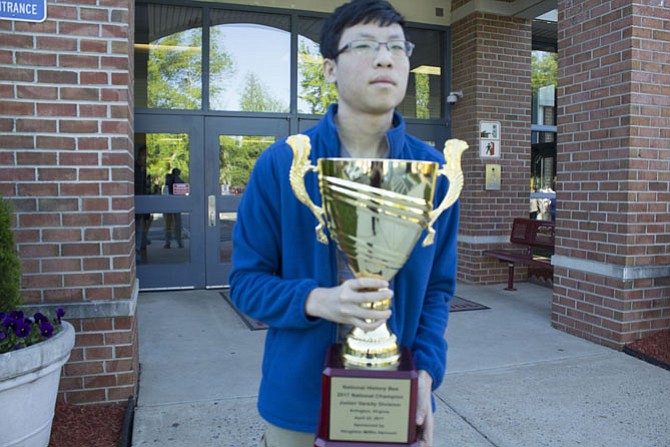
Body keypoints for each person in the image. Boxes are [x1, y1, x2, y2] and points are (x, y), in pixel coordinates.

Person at [229, 1, 459, 446]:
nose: (385, 57)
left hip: (394, 397)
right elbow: (245, 282)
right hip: (299, 404)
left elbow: (437, 291)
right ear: (330, 68)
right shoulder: (286, 165)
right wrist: (318, 300)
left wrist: (427, 373)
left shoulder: (433, 171)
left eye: (397, 46)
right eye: (366, 45)